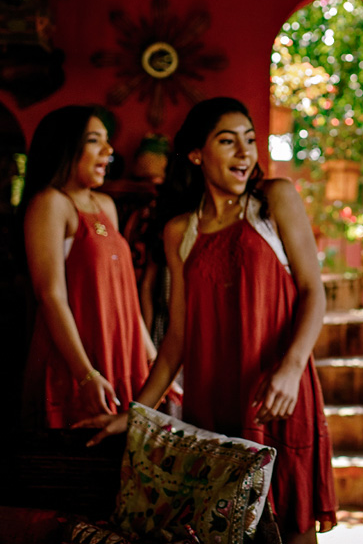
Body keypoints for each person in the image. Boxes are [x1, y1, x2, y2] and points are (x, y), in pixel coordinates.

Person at [78, 98, 337, 543]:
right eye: (228, 140)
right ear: (197, 154)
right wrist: (137, 414)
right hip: (213, 403)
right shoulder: (180, 230)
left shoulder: (275, 200)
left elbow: (314, 292)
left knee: (292, 528)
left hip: (277, 393)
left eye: (250, 140)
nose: (245, 152)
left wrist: (291, 370)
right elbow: (177, 339)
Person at [21, 105, 155, 428]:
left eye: (108, 141)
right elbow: (50, 295)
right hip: (75, 360)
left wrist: (151, 357)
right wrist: (85, 374)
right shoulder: (51, 204)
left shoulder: (105, 204)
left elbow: (125, 294)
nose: (109, 151)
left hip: (121, 351)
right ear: (66, 147)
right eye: (95, 140)